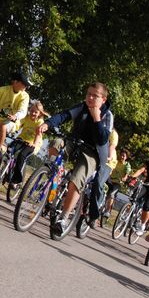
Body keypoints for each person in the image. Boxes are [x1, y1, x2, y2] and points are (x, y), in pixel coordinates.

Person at [38, 82, 113, 234]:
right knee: (56, 143)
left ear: (103, 99)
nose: (90, 98)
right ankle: (55, 175)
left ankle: (63, 219)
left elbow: (102, 139)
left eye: (95, 96)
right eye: (88, 94)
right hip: (74, 143)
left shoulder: (107, 115)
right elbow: (64, 115)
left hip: (92, 152)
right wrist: (47, 124)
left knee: (76, 180)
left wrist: (96, 118)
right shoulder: (82, 106)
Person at [0, 71, 32, 160]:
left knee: (3, 125)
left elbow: (23, 111)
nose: (26, 87)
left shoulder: (25, 96)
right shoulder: (3, 90)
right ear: (15, 82)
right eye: (24, 84)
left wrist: (16, 116)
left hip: (12, 122)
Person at [6, 99, 48, 192]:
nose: (33, 113)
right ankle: (5, 170)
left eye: (35, 112)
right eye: (31, 111)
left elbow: (38, 135)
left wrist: (34, 144)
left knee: (21, 155)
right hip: (22, 139)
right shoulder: (26, 118)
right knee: (9, 149)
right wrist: (11, 127)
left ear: (40, 114)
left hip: (33, 143)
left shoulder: (40, 122)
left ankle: (16, 180)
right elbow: (18, 125)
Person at [104, 148, 132, 217]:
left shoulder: (127, 165)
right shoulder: (116, 161)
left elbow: (127, 172)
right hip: (110, 180)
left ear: (126, 157)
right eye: (121, 155)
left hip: (118, 183)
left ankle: (107, 211)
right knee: (103, 191)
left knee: (111, 194)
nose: (122, 157)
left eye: (123, 156)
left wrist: (125, 177)